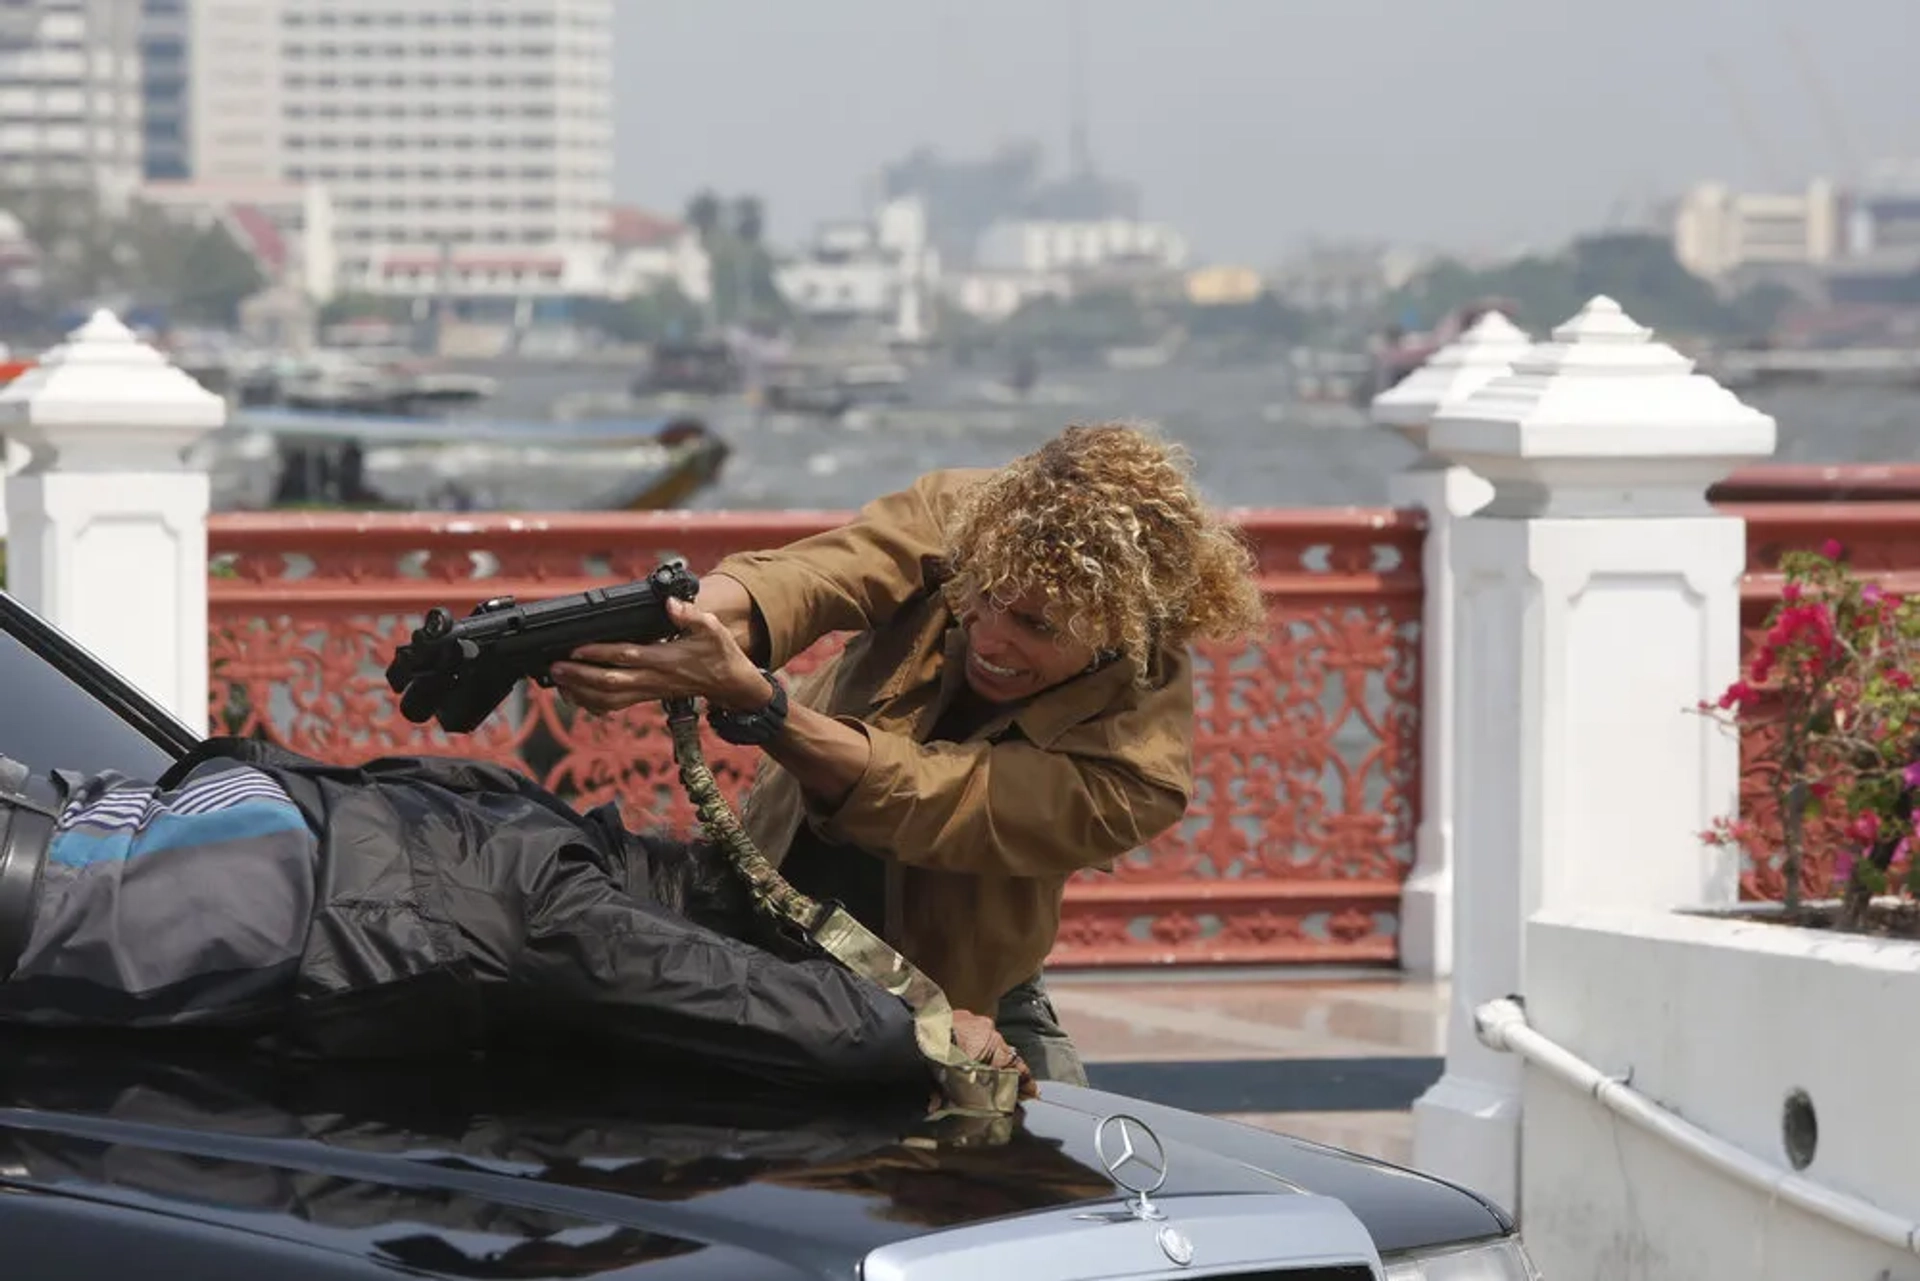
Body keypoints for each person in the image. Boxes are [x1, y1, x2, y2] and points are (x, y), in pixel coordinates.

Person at [549, 422, 1267, 1084]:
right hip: (770, 910)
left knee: (1060, 1187)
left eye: (1035, 624)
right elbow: (820, 574)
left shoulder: (1139, 770)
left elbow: (941, 799)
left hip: (957, 988)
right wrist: (689, 620)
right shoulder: (977, 518)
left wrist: (769, 712)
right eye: (982, 594)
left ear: (1118, 631)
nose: (991, 636)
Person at [0, 739, 1033, 1104]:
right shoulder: (547, 907)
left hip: (77, 815)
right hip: (57, 886)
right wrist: (931, 1033)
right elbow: (729, 994)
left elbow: (708, 928)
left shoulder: (518, 817)